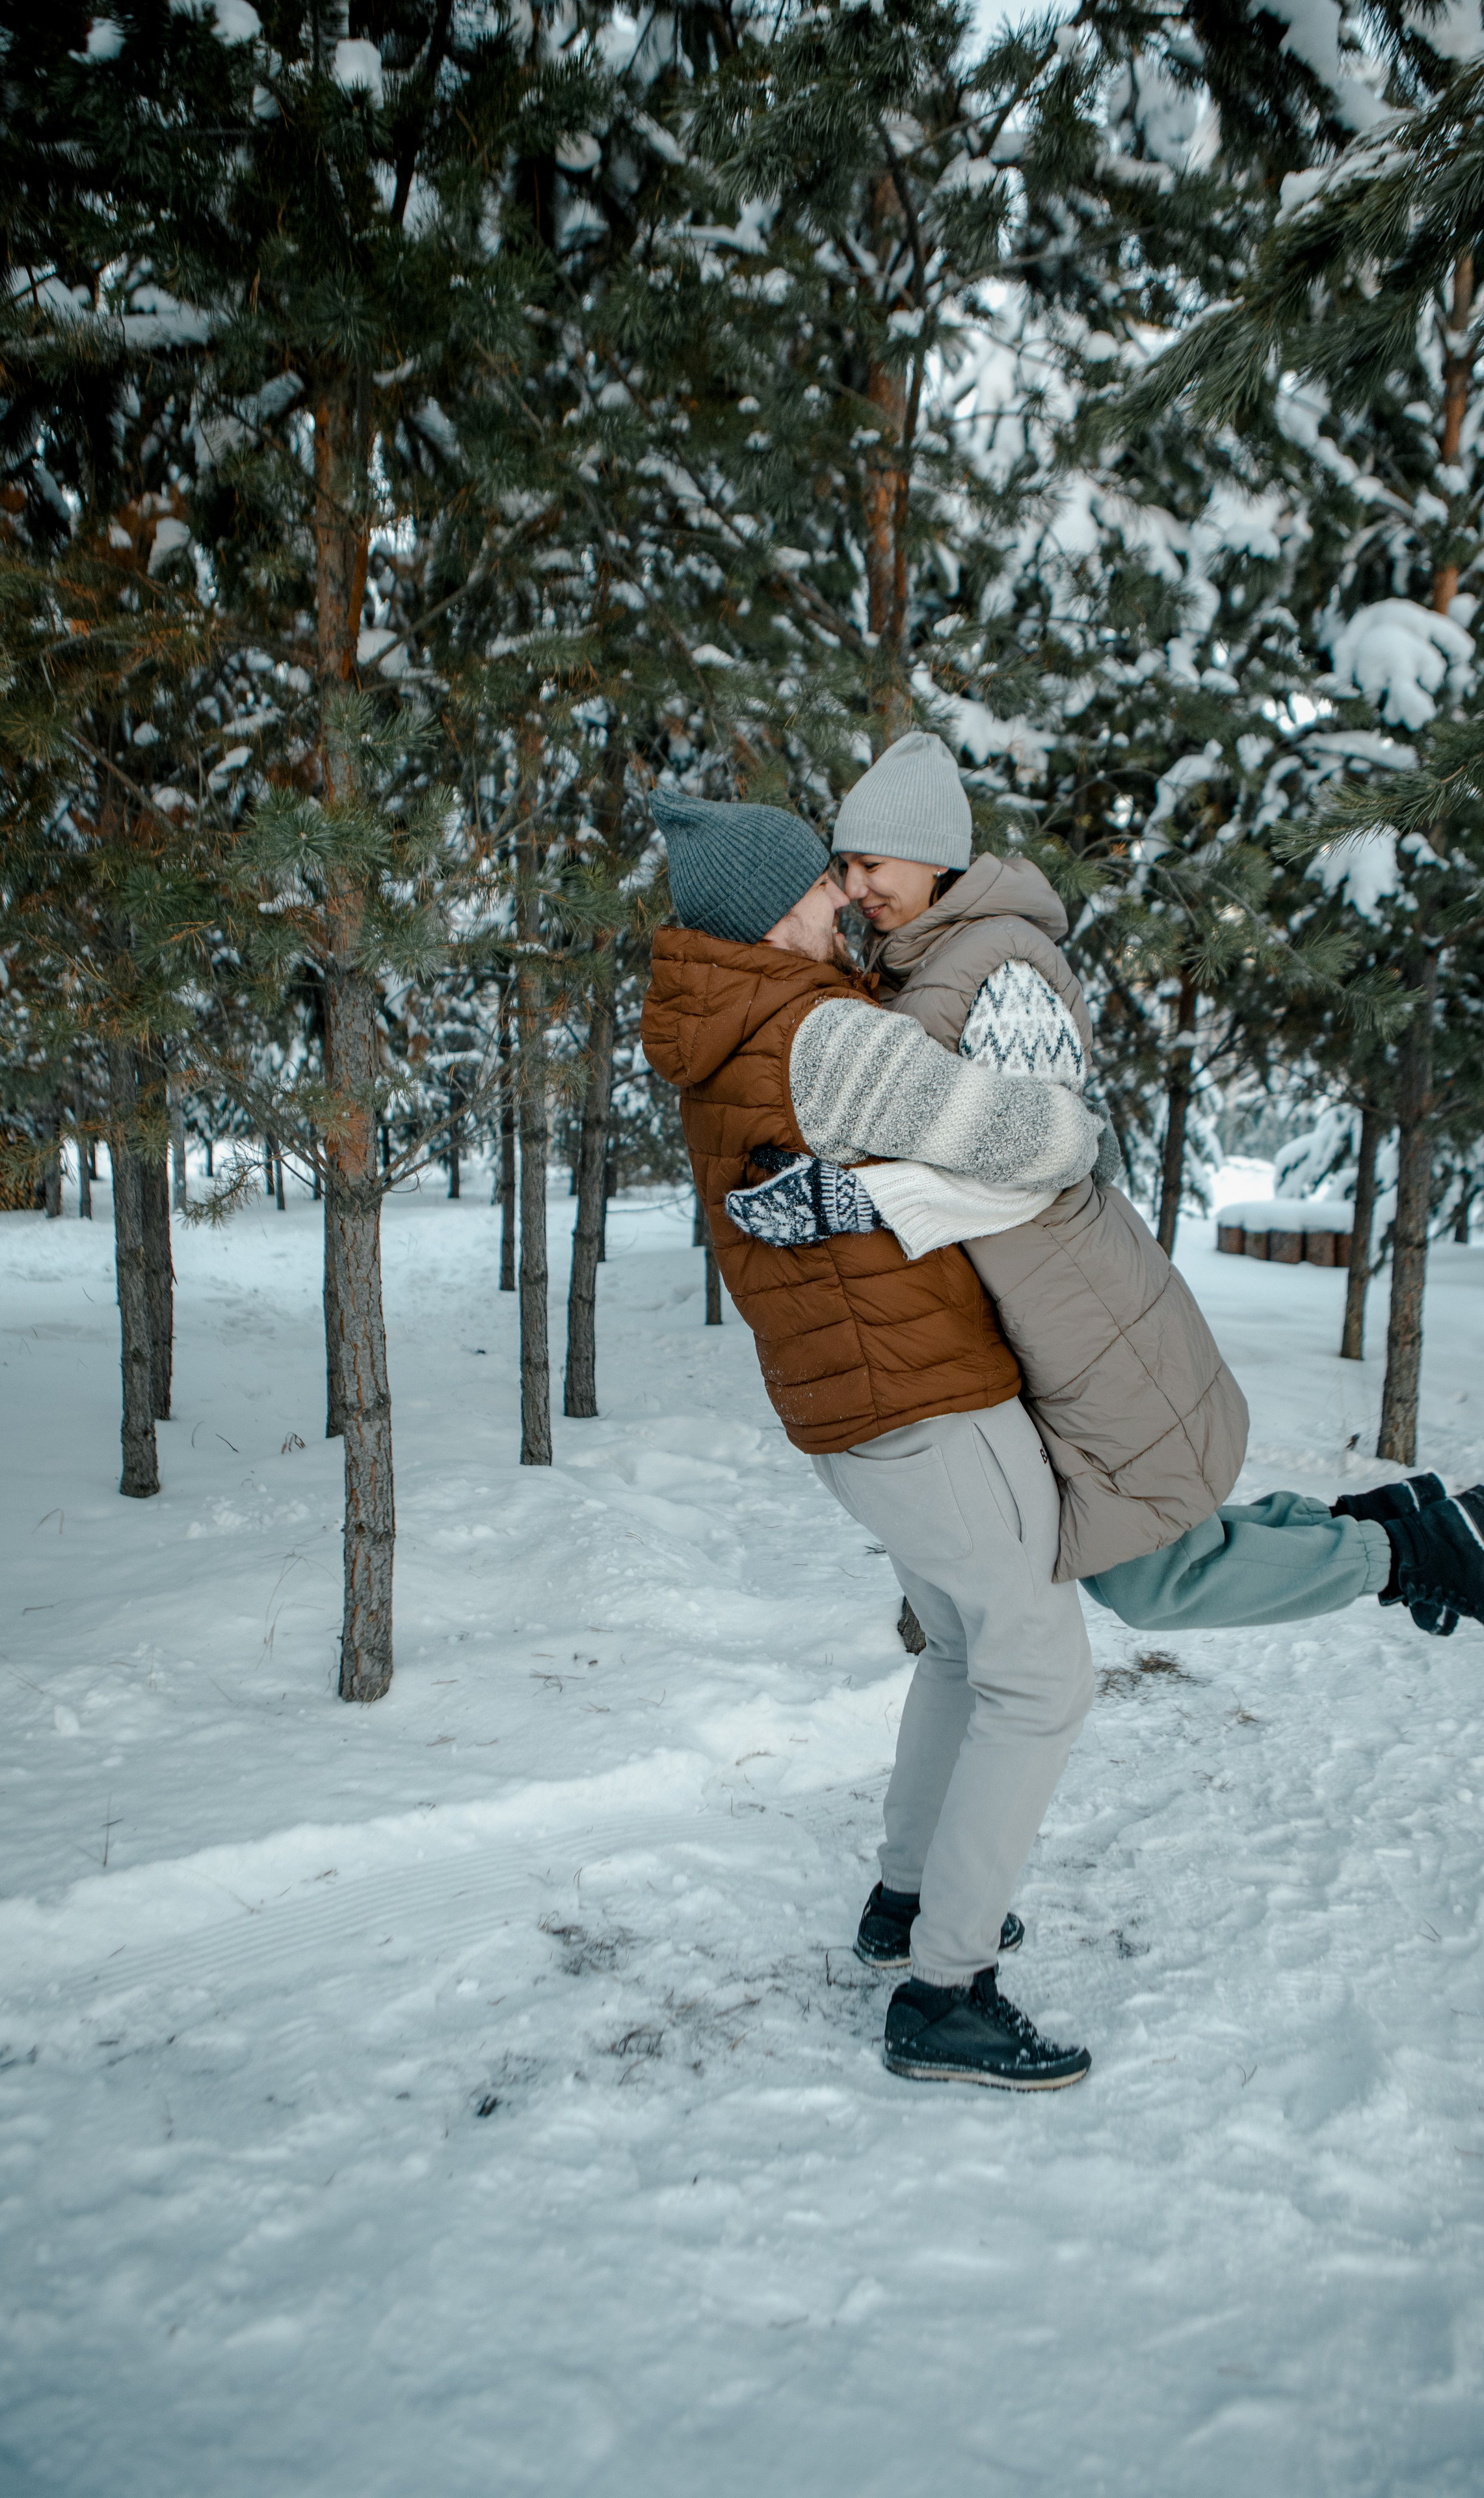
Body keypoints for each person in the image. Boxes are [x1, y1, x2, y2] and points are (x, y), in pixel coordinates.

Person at [727, 728, 1484, 1668]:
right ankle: (1391, 1528)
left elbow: (1039, 1155)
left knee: (1149, 1577)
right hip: (1037, 1307)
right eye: (845, 865)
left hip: (1080, 1304)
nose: (856, 885)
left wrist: (856, 1201)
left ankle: (1405, 1555)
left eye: (873, 863)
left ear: (935, 857)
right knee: (1151, 1537)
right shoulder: (919, 961)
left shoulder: (1000, 967)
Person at [641, 787, 1102, 2089]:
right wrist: (1062, 1112)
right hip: (929, 1405)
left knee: (958, 1649)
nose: (844, 896)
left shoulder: (725, 1026)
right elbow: (1039, 1139)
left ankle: (905, 1902)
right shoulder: (821, 1036)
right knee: (1040, 1680)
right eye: (819, 882)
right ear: (771, 910)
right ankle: (948, 1990)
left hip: (855, 1412)